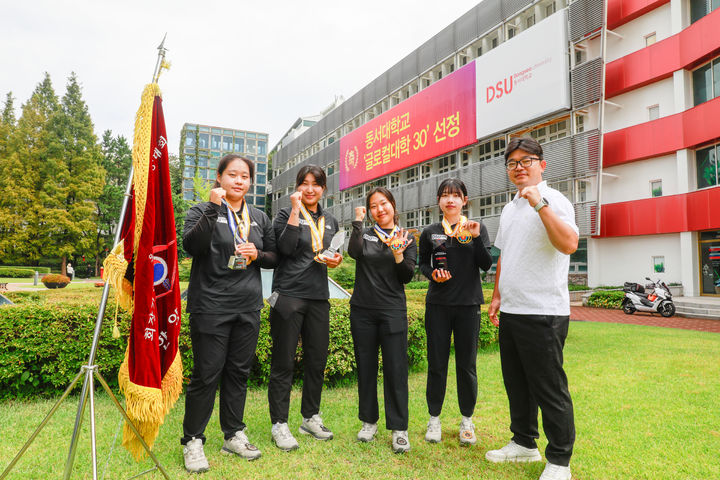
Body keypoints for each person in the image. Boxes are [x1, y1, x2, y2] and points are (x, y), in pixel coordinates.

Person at [486, 137, 578, 480]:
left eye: (527, 160)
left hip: (544, 311)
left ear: (542, 164)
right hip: (512, 310)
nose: (520, 167)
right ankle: (524, 443)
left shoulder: (555, 200)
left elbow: (568, 243)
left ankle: (559, 461)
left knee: (549, 387)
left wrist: (540, 204)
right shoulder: (510, 208)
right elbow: (505, 256)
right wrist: (497, 296)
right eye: (512, 163)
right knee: (518, 384)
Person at [180, 154, 278, 473]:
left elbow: (274, 256)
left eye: (245, 176)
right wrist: (212, 208)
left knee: (238, 372)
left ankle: (233, 433)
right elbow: (192, 246)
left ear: (251, 182)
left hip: (248, 305)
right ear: (219, 177)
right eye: (232, 174)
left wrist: (257, 253)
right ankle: (193, 440)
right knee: (207, 374)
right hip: (210, 305)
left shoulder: (260, 217)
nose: (239, 180)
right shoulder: (201, 210)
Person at [267, 164, 342, 451]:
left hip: (318, 297)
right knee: (283, 361)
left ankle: (310, 417)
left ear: (324, 188)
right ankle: (279, 424)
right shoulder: (285, 214)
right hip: (288, 296)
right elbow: (284, 249)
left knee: (316, 361)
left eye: (316, 184)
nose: (310, 189)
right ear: (298, 186)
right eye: (305, 183)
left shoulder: (330, 219)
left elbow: (328, 253)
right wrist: (296, 211)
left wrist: (335, 260)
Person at [418, 178, 492, 446]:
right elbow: (421, 265)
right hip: (437, 305)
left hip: (468, 305)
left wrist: (475, 238)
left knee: (467, 366)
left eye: (455, 195)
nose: (450, 200)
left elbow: (486, 264)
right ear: (439, 201)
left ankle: (466, 421)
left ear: (464, 200)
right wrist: (432, 274)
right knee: (436, 364)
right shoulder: (430, 231)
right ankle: (434, 419)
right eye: (445, 195)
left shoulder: (475, 228)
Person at [348, 187, 416, 453]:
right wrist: (357, 221)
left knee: (396, 370)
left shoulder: (407, 237)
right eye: (374, 206)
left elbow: (406, 276)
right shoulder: (365, 234)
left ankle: (399, 428)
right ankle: (368, 421)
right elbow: (354, 253)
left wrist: (398, 252)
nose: (380, 209)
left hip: (392, 312)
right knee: (365, 368)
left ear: (393, 205)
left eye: (384, 203)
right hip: (362, 311)